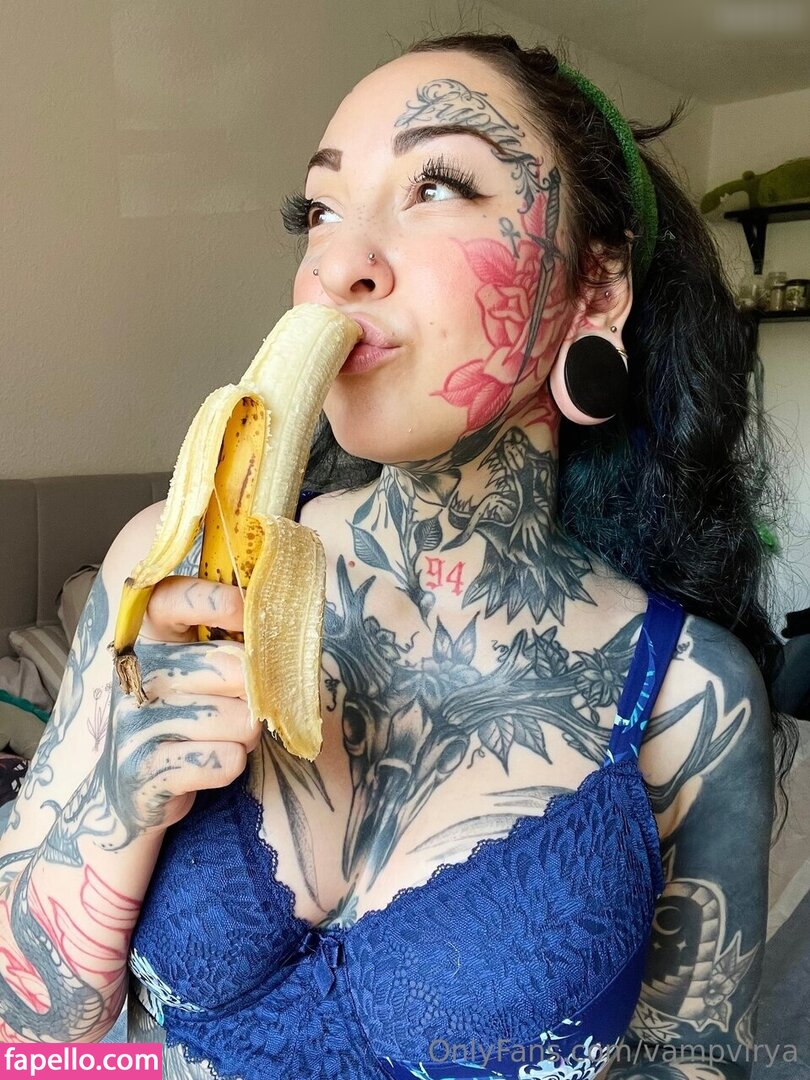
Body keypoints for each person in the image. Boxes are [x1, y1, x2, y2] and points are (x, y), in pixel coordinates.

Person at [0, 30, 797, 1080]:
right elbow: (40, 1023)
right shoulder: (169, 571)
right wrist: (118, 802)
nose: (338, 265)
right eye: (319, 211)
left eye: (438, 186)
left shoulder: (693, 694)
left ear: (595, 289)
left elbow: (690, 1063)